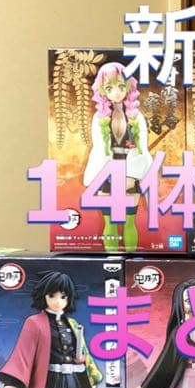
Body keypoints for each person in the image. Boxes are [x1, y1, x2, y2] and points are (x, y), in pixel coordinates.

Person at [0, 271, 102, 388]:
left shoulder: (73, 323)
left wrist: (91, 383)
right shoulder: (34, 323)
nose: (58, 301)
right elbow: (22, 354)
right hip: (48, 383)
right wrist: (12, 385)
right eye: (52, 296)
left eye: (63, 296)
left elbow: (84, 355)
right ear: (44, 296)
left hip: (73, 382)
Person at [83, 62, 153, 252]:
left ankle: (131, 262)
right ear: (102, 90)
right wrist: (109, 176)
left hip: (130, 176)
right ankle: (112, 262)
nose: (116, 93)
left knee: (130, 221)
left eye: (121, 87)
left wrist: (130, 176)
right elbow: (100, 149)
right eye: (109, 88)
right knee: (110, 222)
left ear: (128, 87)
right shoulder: (99, 118)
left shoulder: (136, 117)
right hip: (106, 175)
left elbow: (141, 149)